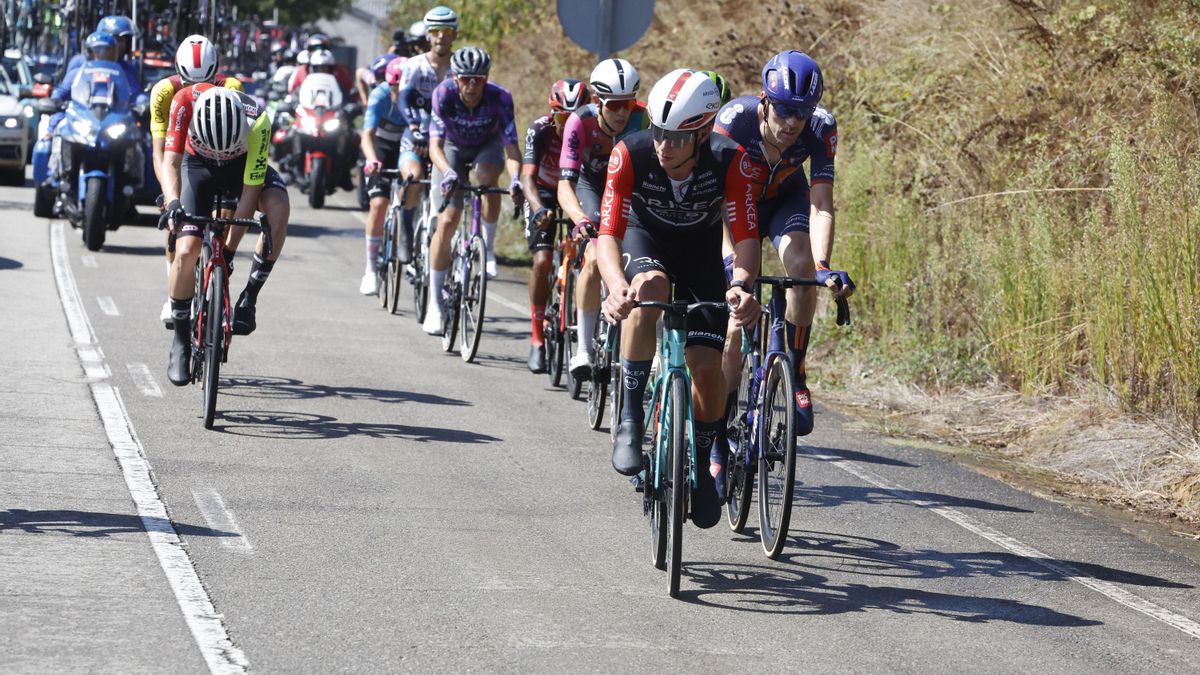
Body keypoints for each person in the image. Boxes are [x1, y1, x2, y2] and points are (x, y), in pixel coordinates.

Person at [596, 69, 762, 528]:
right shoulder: (629, 154)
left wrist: (742, 285)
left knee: (707, 368)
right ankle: (631, 420)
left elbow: (746, 238)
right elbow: (608, 234)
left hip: (700, 256)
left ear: (703, 134)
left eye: (677, 138)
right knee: (648, 289)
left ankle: (704, 462)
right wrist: (616, 287)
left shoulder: (731, 160)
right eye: (658, 133)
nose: (664, 146)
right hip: (644, 242)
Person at [714, 51, 855, 438]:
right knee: (734, 325)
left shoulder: (821, 126)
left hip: (784, 200)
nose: (793, 122)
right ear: (765, 99)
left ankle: (796, 370)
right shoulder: (734, 120)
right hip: (735, 204)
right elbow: (713, 199)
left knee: (802, 269)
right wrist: (729, 263)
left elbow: (821, 203)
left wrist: (823, 265)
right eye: (784, 110)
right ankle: (720, 426)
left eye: (802, 112)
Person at [160, 84, 291, 385]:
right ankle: (180, 339)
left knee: (279, 208)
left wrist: (228, 253)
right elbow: (171, 162)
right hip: (197, 166)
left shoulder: (258, 121)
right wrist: (174, 203)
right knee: (186, 251)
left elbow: (250, 192)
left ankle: (249, 298)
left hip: (240, 167)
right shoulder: (183, 102)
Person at [557, 57, 649, 382]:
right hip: (592, 188)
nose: (623, 112)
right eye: (614, 105)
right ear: (597, 101)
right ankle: (583, 349)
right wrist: (580, 218)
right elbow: (564, 185)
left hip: (627, 189)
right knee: (595, 257)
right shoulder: (579, 122)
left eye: (628, 103)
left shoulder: (644, 118)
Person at [422, 45, 521, 335]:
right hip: (451, 149)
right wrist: (448, 172)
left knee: (488, 177)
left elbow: (511, 148)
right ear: (455, 78)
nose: (472, 85)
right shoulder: (443, 94)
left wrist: (516, 178)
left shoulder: (500, 97)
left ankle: (487, 249)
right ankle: (435, 304)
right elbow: (434, 146)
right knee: (448, 221)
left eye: (479, 79)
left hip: (485, 146)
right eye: (466, 79)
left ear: (487, 78)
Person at [149, 34, 244, 328]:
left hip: (219, 157)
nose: (197, 90)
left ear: (216, 73)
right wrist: (169, 195)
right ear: (178, 72)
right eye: (189, 83)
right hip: (181, 158)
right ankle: (174, 287)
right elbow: (160, 153)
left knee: (226, 219)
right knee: (175, 221)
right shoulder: (164, 92)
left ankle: (220, 290)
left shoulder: (232, 88)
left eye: (205, 82)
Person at [519, 78, 588, 373]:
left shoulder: (592, 129)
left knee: (587, 257)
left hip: (576, 190)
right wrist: (538, 209)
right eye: (562, 118)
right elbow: (527, 178)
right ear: (552, 114)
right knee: (542, 260)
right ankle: (537, 338)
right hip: (544, 192)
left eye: (574, 118)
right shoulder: (540, 129)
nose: (567, 125)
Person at [394, 6, 458, 277]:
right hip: (418, 134)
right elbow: (404, 99)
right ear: (428, 35)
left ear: (454, 34)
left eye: (447, 31)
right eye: (436, 31)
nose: (441, 36)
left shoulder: (459, 66)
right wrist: (414, 127)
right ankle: (406, 226)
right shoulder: (414, 65)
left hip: (446, 139)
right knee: (413, 177)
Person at [359, 57, 410, 295]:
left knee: (415, 196)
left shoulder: (422, 96)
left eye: (404, 87)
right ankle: (370, 269)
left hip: (409, 146)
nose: (398, 92)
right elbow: (367, 135)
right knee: (379, 204)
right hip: (382, 146)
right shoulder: (379, 95)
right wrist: (372, 160)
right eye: (395, 87)